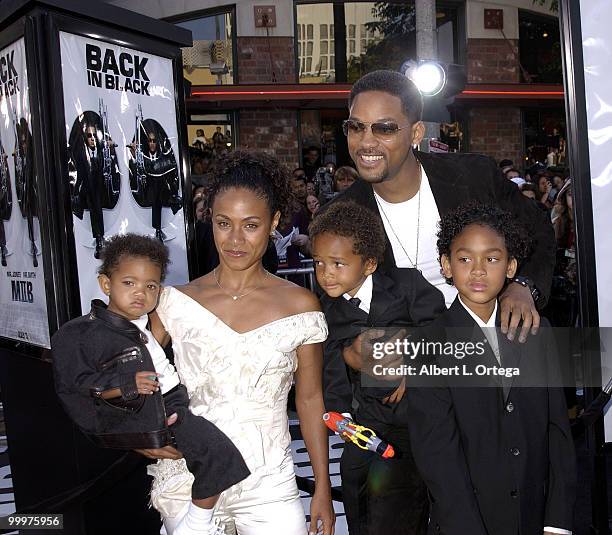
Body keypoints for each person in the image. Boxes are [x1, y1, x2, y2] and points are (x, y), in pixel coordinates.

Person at [145, 151, 335, 535]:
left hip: (270, 481)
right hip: (190, 478)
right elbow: (132, 373)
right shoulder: (173, 302)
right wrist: (140, 437)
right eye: (222, 223)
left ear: (274, 223)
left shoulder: (299, 304)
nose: (235, 240)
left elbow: (310, 399)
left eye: (250, 225)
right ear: (209, 220)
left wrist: (322, 487)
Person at [334, 70, 555, 346]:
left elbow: (539, 230)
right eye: (356, 127)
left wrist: (524, 286)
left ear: (416, 133)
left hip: (494, 345)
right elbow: (338, 315)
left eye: (384, 128)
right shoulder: (340, 217)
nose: (366, 142)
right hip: (413, 368)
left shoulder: (475, 177)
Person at [51, 234, 250, 535]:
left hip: (176, 402)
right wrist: (126, 385)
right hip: (161, 408)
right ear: (106, 284)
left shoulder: (144, 323)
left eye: (151, 286)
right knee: (219, 454)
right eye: (128, 283)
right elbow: (78, 386)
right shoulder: (88, 334)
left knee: (217, 455)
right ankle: (194, 527)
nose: (140, 293)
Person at [405, 203, 576, 535]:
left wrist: (557, 522)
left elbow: (558, 434)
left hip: (535, 518)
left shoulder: (538, 335)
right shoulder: (428, 346)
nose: (478, 270)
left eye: (492, 259)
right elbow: (437, 454)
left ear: (511, 267)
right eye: (465, 259)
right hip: (466, 522)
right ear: (446, 265)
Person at [310, 200, 445, 535]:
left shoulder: (407, 286)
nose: (326, 273)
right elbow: (329, 368)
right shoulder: (326, 311)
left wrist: (413, 367)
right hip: (368, 426)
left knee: (408, 511)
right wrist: (339, 415)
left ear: (368, 263)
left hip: (423, 423)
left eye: (338, 263)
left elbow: (442, 329)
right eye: (319, 263)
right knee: (360, 501)